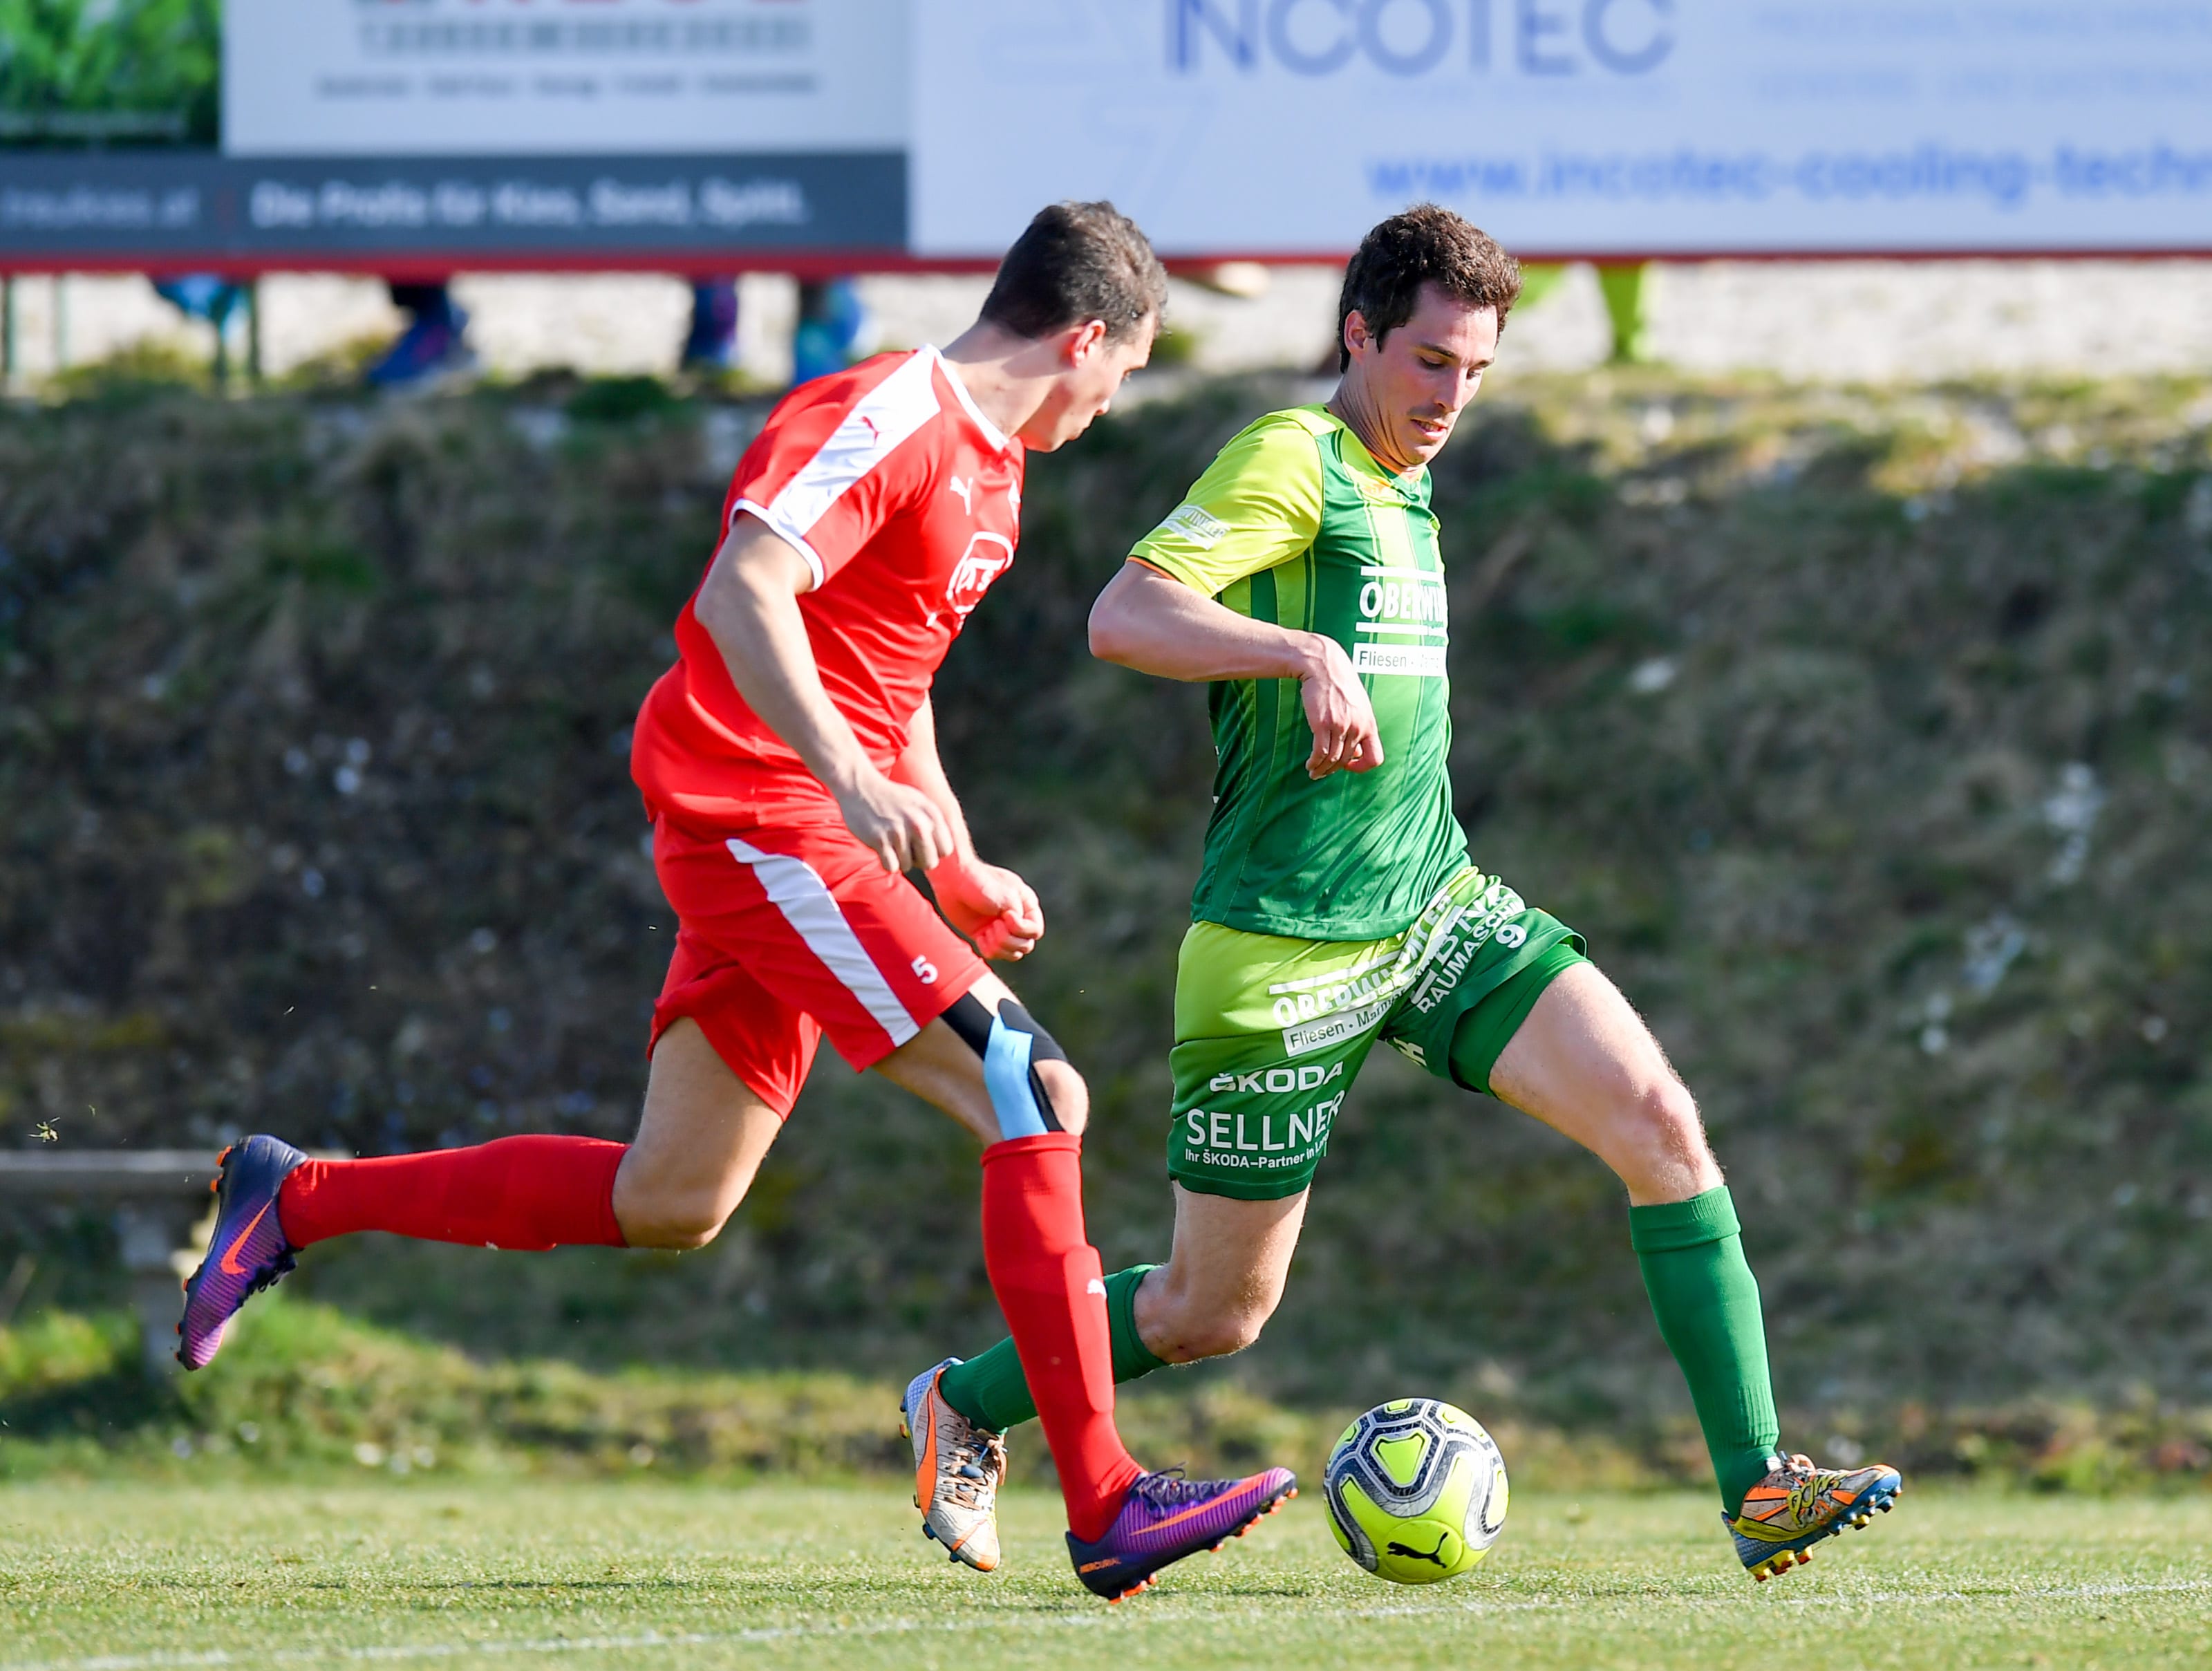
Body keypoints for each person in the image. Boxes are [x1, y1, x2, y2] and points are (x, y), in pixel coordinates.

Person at [176, 201, 1295, 1603]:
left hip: (802, 828)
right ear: (1084, 339)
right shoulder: (892, 410)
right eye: (1124, 371)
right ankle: (1105, 1496)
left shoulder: (997, 476)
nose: (1115, 400)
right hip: (756, 812)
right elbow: (744, 590)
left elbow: (893, 674)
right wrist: (842, 776)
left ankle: (301, 1198)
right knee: (1034, 1090)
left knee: (674, 1198)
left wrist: (946, 853)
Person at [903, 205, 1903, 1584]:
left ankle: (1759, 1488)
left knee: (1661, 1124)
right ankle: (963, 1398)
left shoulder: (1405, 479)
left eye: (1476, 372)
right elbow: (1122, 615)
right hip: (1280, 946)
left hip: (1435, 908)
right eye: (1430, 362)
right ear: (1358, 333)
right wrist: (1297, 649)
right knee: (1210, 1312)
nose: (1451, 397)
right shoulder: (1292, 455)